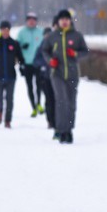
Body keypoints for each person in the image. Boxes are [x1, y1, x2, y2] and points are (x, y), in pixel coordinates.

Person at [41, 9, 89, 144]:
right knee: (61, 101)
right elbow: (44, 50)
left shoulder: (77, 36)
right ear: (58, 21)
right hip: (57, 74)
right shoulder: (52, 36)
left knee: (71, 103)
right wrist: (50, 60)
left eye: (66, 19)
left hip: (73, 74)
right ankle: (61, 131)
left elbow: (85, 52)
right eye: (62, 19)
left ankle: (69, 130)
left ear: (70, 21)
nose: (64, 21)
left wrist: (75, 54)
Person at [0, 21, 25, 128]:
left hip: (10, 76)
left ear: (9, 30)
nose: (5, 32)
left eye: (7, 30)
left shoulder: (14, 44)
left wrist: (22, 67)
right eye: (3, 29)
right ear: (0, 30)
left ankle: (8, 120)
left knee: (9, 99)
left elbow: (21, 58)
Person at [16, 12, 45, 117]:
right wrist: (22, 47)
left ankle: (38, 104)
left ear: (36, 21)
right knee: (29, 86)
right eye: (29, 20)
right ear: (26, 21)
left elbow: (46, 46)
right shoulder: (21, 32)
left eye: (33, 19)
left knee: (39, 85)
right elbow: (16, 49)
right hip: (27, 64)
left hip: (38, 64)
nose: (31, 22)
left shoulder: (41, 31)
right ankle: (33, 107)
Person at [33, 25, 56, 129]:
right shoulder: (41, 47)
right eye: (46, 35)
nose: (47, 37)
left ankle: (56, 119)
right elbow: (35, 61)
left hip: (56, 77)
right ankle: (50, 120)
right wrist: (43, 65)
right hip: (45, 77)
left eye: (49, 35)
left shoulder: (56, 46)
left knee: (56, 99)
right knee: (49, 99)